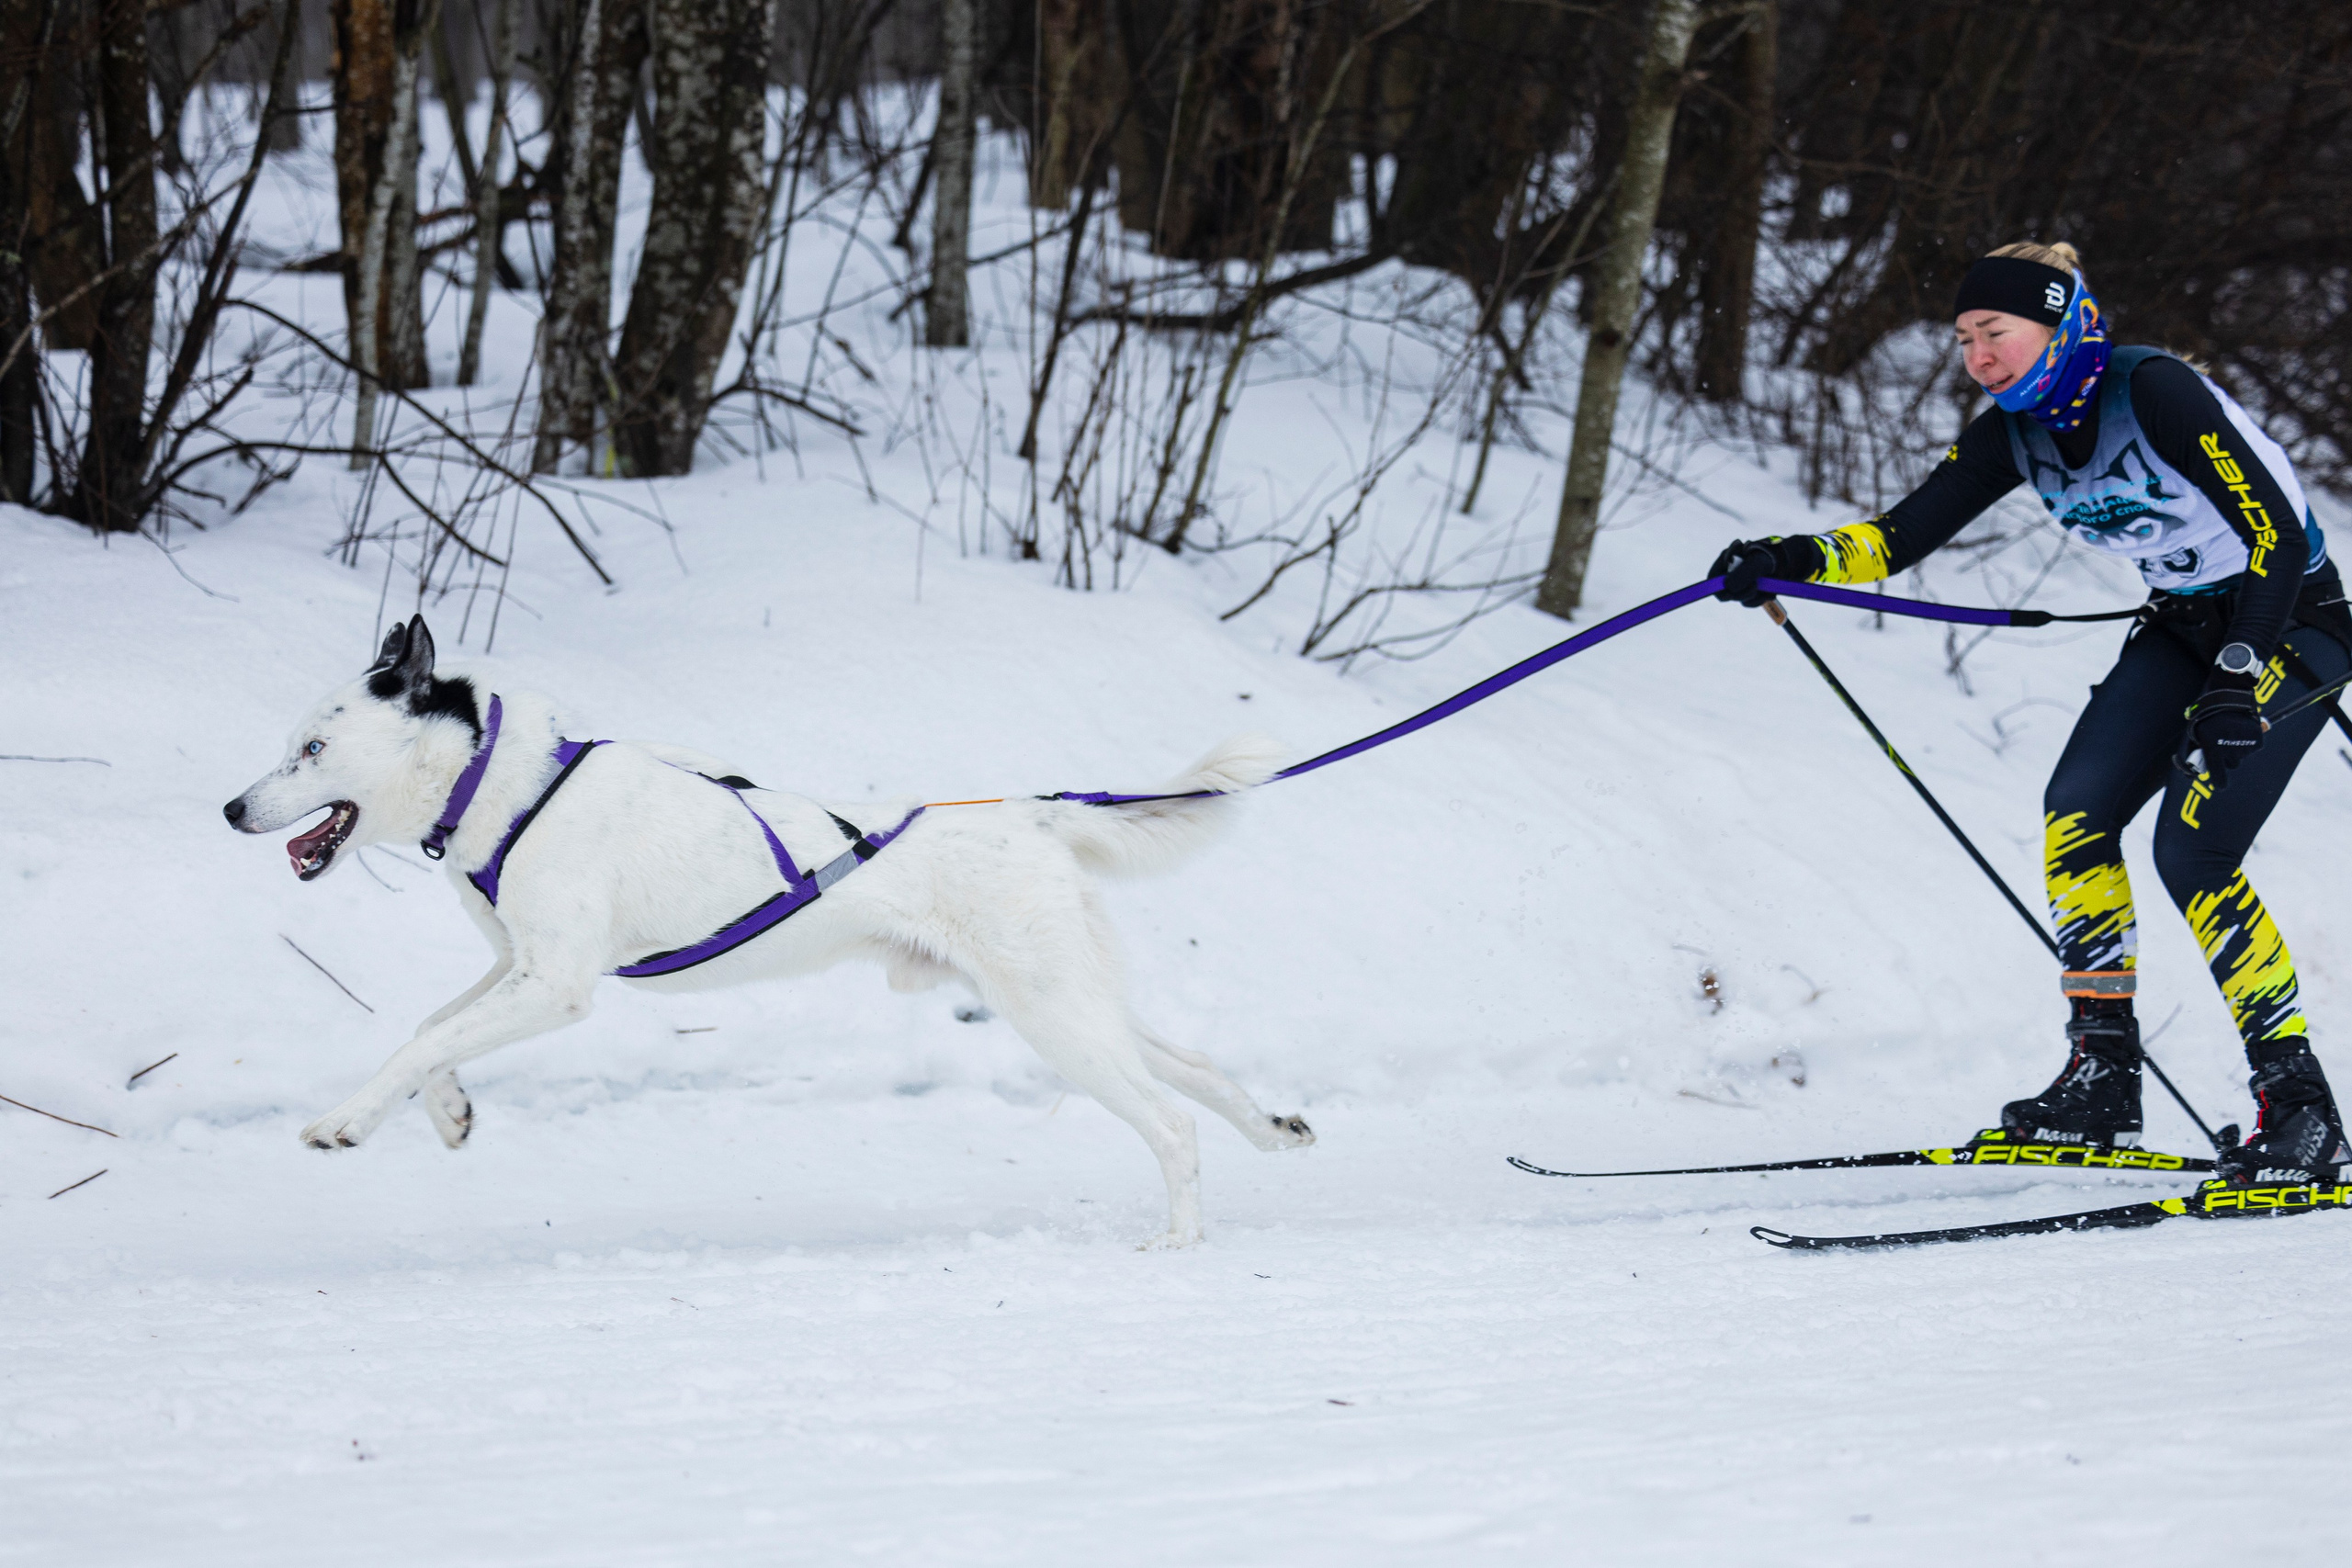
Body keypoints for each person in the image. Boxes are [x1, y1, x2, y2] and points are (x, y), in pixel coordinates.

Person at [1710, 242, 2349, 1186]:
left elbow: (2277, 534)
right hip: (2180, 630)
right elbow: (1895, 539)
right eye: (1964, 338)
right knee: (2077, 815)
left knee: (2194, 851)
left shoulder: (2156, 392)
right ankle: (2101, 1077)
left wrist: (2237, 669)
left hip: (2283, 620)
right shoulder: (2013, 432)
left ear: (2062, 327)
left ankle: (2301, 1112)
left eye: (1994, 332)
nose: (1977, 355)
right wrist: (1786, 557)